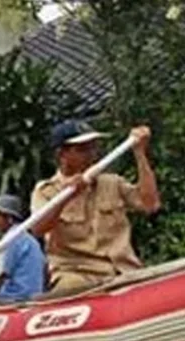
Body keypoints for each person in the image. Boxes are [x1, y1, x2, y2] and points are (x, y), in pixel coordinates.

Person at [30, 120, 161, 293]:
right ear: (62, 154)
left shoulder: (112, 182)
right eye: (83, 149)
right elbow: (38, 228)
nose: (92, 154)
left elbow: (150, 204)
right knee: (70, 288)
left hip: (124, 271)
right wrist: (66, 197)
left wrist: (140, 153)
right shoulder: (47, 191)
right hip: (77, 275)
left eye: (93, 147)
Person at [0, 194, 46, 304]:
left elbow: (1, 276)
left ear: (9, 218)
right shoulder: (29, 239)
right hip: (34, 295)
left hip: (15, 297)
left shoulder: (12, 239)